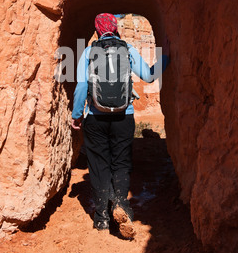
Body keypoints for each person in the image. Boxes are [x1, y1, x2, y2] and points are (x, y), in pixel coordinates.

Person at [71, 13, 170, 239]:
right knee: (121, 161)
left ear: (97, 30)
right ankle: (122, 206)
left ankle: (102, 217)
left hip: (95, 117)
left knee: (98, 164)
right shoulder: (128, 50)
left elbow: (81, 87)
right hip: (124, 117)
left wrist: (77, 115)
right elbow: (149, 76)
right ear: (116, 29)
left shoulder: (89, 52)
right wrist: (166, 57)